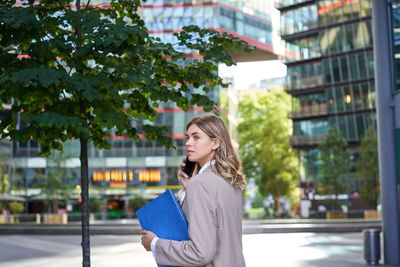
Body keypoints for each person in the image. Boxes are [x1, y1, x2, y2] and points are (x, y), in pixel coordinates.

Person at [141, 113, 247, 267]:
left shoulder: (200, 184)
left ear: (215, 142)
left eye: (196, 137)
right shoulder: (230, 181)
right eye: (187, 138)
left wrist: (155, 244)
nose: (188, 143)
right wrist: (187, 189)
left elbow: (201, 253)